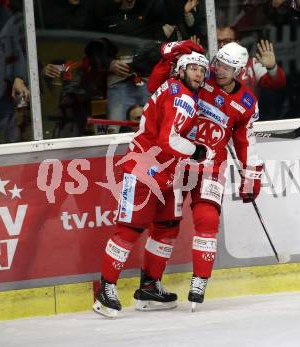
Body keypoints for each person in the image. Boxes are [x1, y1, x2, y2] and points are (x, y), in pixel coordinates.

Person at [142, 41, 264, 311]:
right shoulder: (198, 74)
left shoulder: (246, 103)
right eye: (218, 63)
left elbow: (246, 142)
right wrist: (175, 50)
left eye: (228, 67)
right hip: (177, 161)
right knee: (166, 225)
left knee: (207, 219)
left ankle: (199, 282)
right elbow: (156, 85)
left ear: (240, 71)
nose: (219, 70)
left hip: (211, 166)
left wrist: (251, 176)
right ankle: (149, 287)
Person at [93, 50, 210, 318]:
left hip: (168, 172)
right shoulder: (183, 98)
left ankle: (149, 288)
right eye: (193, 68)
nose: (199, 74)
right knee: (129, 229)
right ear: (181, 71)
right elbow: (169, 140)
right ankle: (106, 289)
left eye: (202, 71)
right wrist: (196, 150)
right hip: (145, 169)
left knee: (167, 227)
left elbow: (156, 80)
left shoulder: (173, 87)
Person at [0, 0, 29, 145]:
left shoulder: (6, 17)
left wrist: (18, 78)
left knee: (11, 146)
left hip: (2, 98)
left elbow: (17, 52)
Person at [216, 25, 286, 94]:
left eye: (227, 41)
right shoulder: (209, 62)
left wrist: (272, 68)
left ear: (237, 42)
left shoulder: (252, 64)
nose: (222, 45)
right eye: (218, 41)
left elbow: (277, 84)